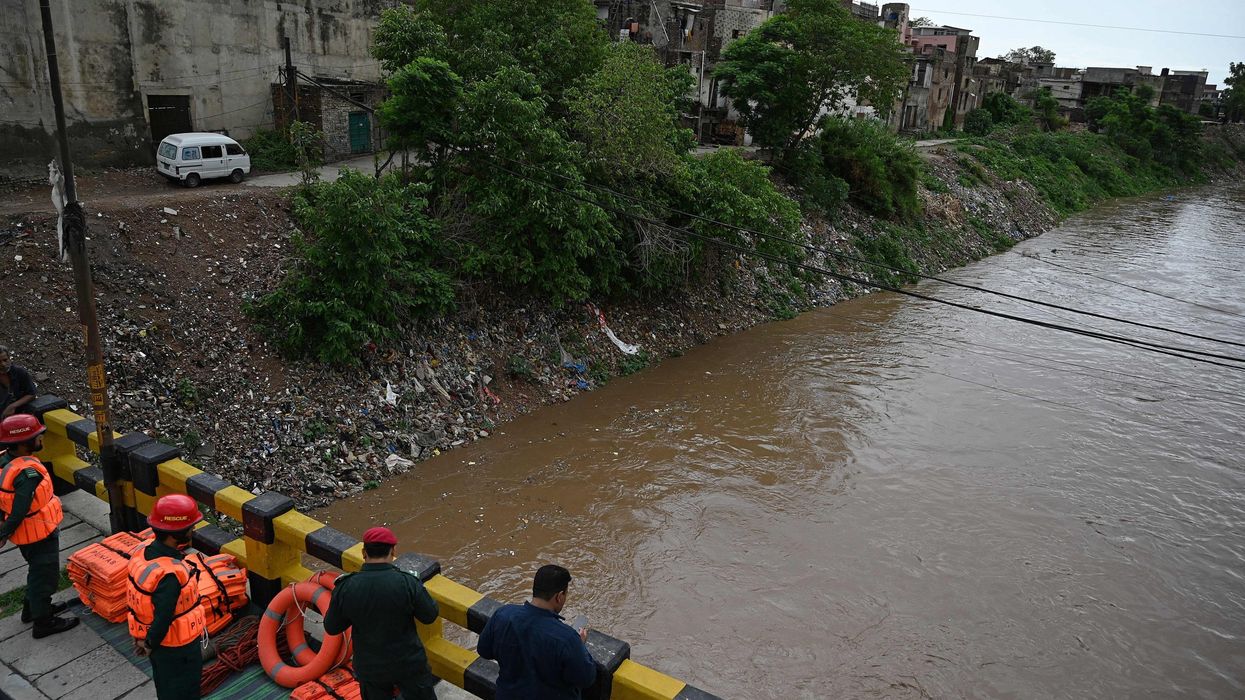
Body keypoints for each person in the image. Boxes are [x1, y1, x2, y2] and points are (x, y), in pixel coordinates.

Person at [324, 526, 440, 700]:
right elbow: (429, 615)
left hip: (370, 666)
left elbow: (332, 627)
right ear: (393, 551)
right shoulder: (407, 583)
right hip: (408, 663)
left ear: (364, 552)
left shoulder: (346, 587)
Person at [0, 414, 78, 637]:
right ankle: (43, 622)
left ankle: (33, 610)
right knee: (44, 575)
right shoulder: (27, 474)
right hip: (38, 531)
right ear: (24, 444)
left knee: (36, 571)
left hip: (27, 533)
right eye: (37, 436)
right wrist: (3, 532)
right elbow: (20, 509)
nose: (41, 439)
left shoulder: (5, 462)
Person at [127, 494, 207, 699]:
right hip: (177, 649)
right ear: (175, 534)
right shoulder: (169, 575)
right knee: (184, 691)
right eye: (190, 527)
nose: (194, 530)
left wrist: (144, 640)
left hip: (159, 647)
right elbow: (163, 616)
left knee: (166, 687)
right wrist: (150, 643)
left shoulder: (143, 553)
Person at [477, 564, 597, 700]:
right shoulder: (567, 638)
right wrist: (580, 646)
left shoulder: (503, 614)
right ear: (559, 596)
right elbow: (586, 678)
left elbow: (484, 650)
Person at [0, 348, 38, 418]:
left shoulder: (19, 372)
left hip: (22, 414)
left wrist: (12, 406)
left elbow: (31, 394)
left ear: (9, 359)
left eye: (5, 360)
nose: (3, 364)